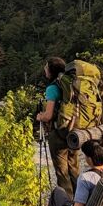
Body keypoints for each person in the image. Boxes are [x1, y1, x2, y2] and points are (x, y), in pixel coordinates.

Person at [37, 56, 78, 198]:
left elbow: (48, 115)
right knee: (74, 168)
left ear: (51, 70)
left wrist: (40, 116)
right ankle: (80, 202)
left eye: (46, 67)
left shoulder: (52, 88)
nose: (45, 69)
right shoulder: (70, 84)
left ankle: (67, 205)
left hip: (59, 132)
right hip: (74, 132)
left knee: (62, 171)